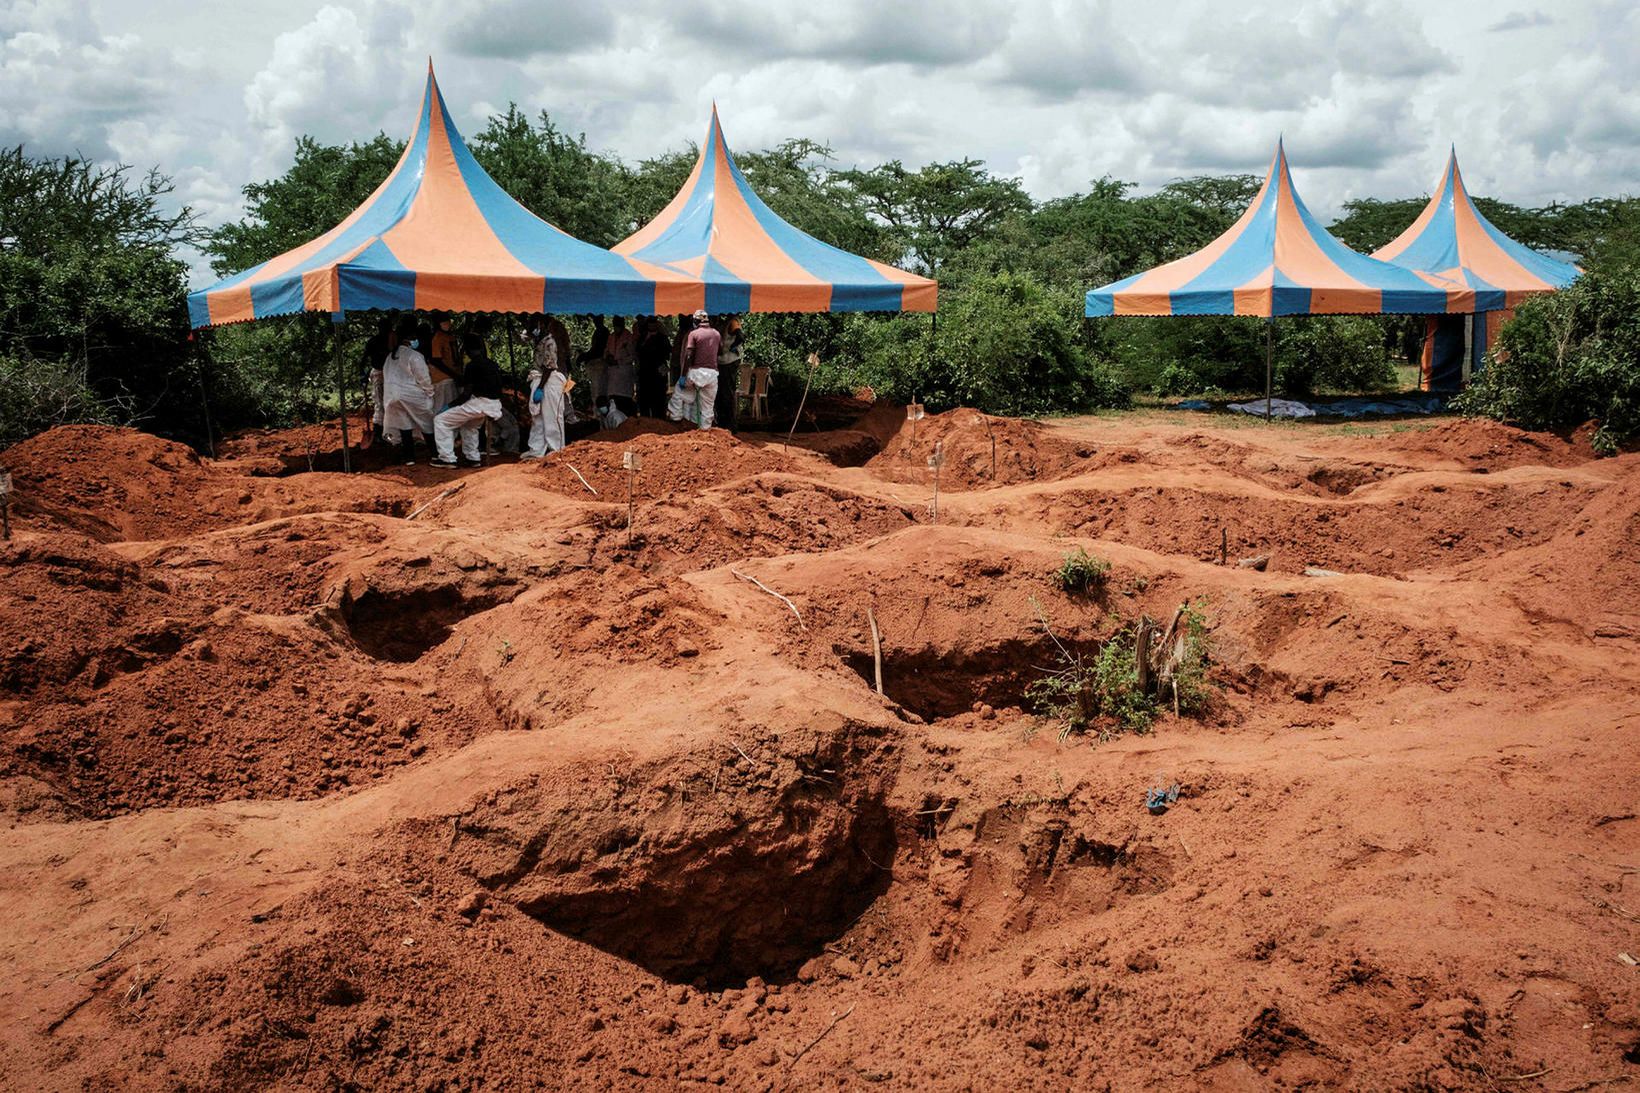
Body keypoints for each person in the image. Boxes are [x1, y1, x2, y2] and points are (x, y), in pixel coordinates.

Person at [430, 330, 505, 468]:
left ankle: (447, 459)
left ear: (468, 350)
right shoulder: (492, 364)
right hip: (494, 404)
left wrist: (449, 406)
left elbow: (465, 395)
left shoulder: (472, 365)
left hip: (480, 404)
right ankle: (473, 458)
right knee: (469, 425)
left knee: (440, 420)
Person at [381, 315, 435, 464]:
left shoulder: (390, 357)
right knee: (427, 423)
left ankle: (409, 457)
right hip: (411, 394)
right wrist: (429, 393)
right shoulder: (415, 355)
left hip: (392, 396)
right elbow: (423, 378)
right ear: (413, 336)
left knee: (404, 424)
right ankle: (436, 454)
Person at [668, 309, 722, 429]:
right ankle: (705, 430)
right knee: (707, 405)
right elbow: (721, 351)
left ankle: (676, 419)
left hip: (696, 372)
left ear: (695, 321)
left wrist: (683, 375)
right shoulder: (716, 334)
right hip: (712, 374)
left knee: (678, 393)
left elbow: (688, 355)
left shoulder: (694, 334)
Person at [523, 319, 567, 458]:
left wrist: (540, 387)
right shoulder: (538, 341)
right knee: (538, 417)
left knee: (552, 417)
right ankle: (536, 451)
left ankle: (556, 450)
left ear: (541, 324)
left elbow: (549, 366)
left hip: (548, 381)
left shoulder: (549, 342)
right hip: (540, 379)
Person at [361, 315, 395, 443]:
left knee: (390, 403)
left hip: (391, 374)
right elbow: (364, 358)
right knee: (380, 403)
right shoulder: (374, 341)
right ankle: (377, 432)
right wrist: (362, 374)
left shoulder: (392, 341)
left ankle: (389, 431)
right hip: (379, 374)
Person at [601, 316, 638, 421]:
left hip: (624, 372)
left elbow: (632, 356)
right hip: (612, 374)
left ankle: (629, 421)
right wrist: (607, 357)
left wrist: (618, 361)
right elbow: (606, 350)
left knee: (625, 399)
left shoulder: (629, 337)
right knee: (613, 399)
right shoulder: (611, 337)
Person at [714, 316, 744, 433]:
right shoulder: (724, 322)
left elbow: (740, 336)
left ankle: (730, 425)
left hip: (729, 361)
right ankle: (723, 423)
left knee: (727, 393)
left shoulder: (733, 321)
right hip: (722, 362)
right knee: (720, 394)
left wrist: (733, 347)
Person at [427, 313, 462, 412]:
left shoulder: (450, 336)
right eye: (444, 320)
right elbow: (436, 360)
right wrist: (454, 375)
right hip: (442, 380)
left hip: (452, 378)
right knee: (443, 411)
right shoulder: (437, 338)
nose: (448, 323)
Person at [637, 317, 671, 418]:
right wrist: (646, 339)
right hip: (645, 373)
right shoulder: (642, 338)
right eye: (650, 323)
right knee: (645, 401)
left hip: (658, 374)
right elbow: (638, 351)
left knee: (659, 401)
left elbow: (667, 353)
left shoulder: (663, 338)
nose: (652, 325)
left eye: (654, 323)